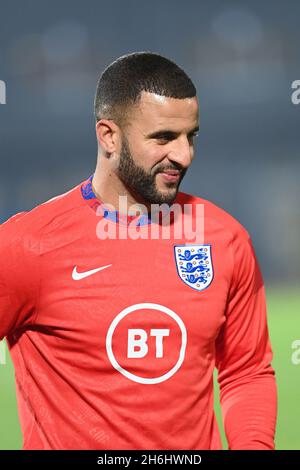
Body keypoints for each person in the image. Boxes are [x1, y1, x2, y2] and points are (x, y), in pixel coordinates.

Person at [0, 52, 277, 450]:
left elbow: (246, 371)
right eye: (163, 138)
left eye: (190, 136)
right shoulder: (27, 246)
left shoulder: (225, 238)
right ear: (109, 136)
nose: (183, 155)